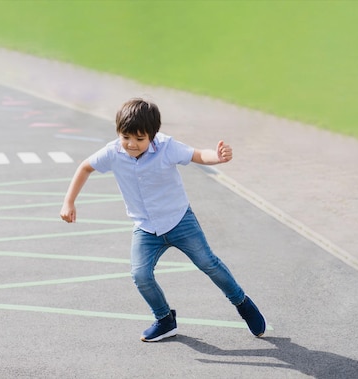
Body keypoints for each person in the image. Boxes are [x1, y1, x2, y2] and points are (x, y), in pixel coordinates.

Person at [60, 98, 266, 342]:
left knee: (208, 263)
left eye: (139, 139)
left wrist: (218, 157)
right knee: (140, 275)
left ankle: (242, 303)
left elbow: (198, 155)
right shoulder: (113, 152)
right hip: (145, 228)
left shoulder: (167, 147)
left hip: (179, 220)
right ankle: (165, 320)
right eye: (126, 137)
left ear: (153, 136)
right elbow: (85, 167)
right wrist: (68, 202)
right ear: (118, 132)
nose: (131, 145)